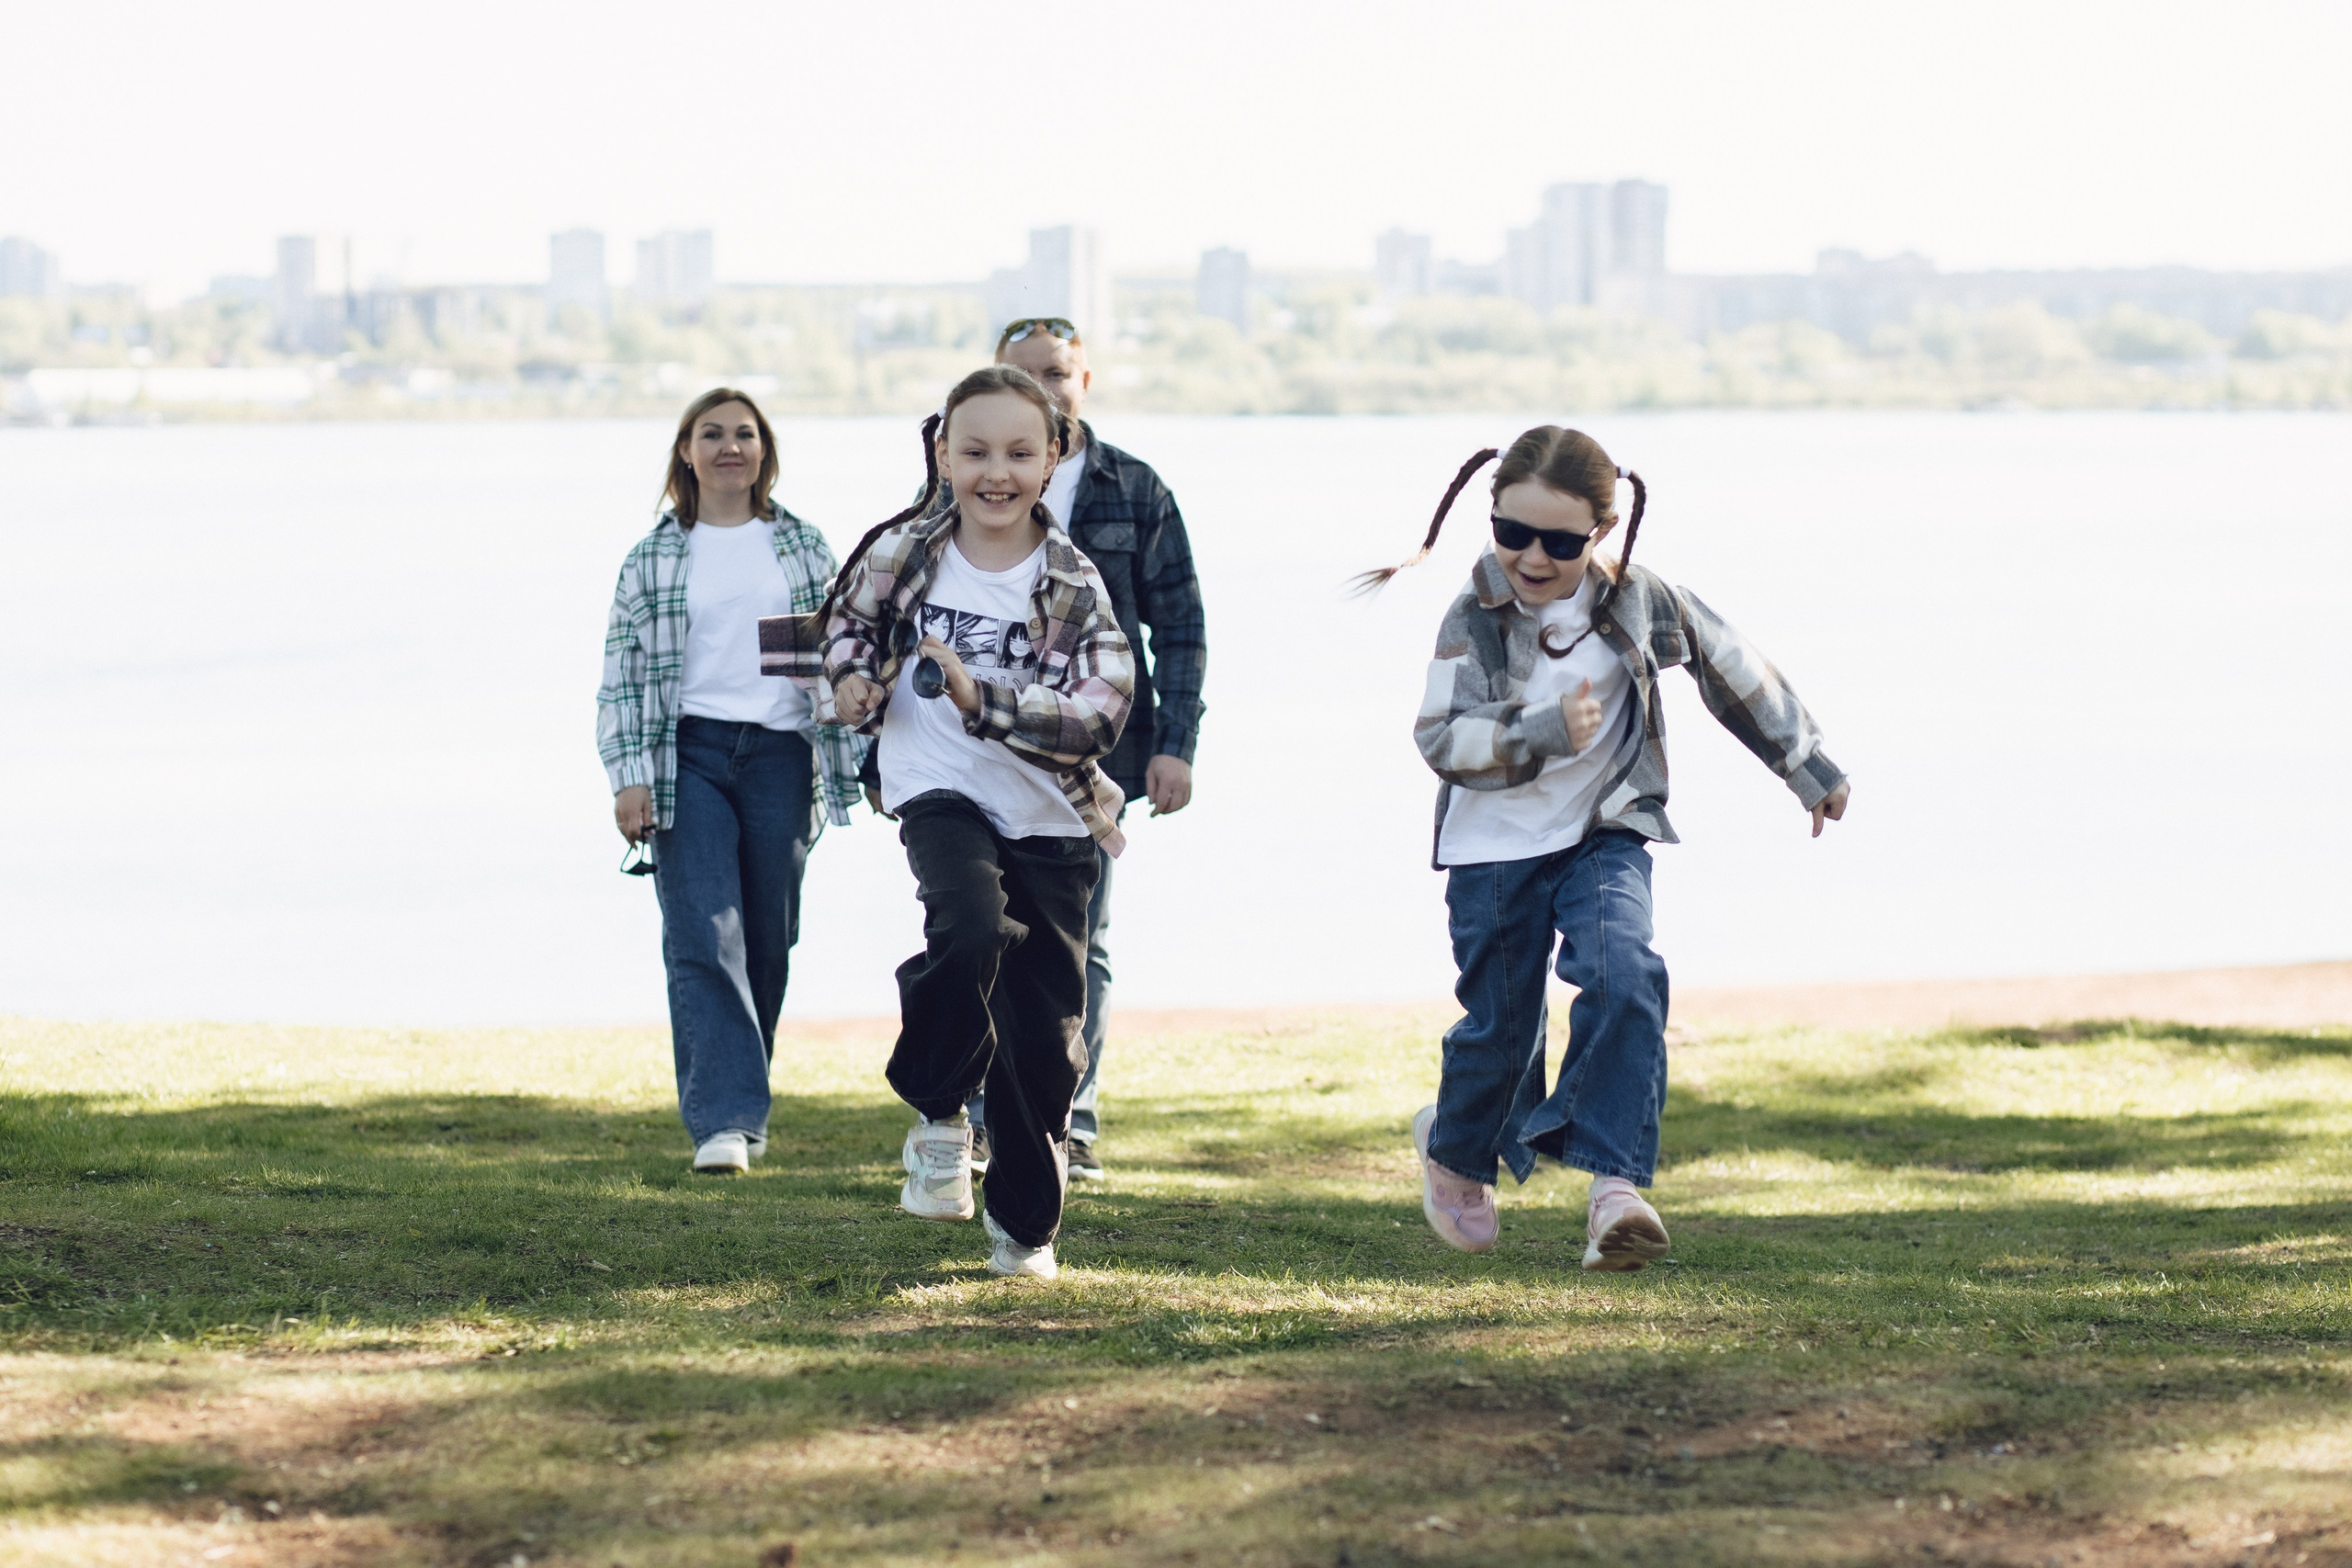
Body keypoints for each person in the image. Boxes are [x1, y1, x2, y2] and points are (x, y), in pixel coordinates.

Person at [1353, 426, 1850, 1270]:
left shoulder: (1639, 599)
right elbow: (1439, 737)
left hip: (1604, 832)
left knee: (1627, 974)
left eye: (1560, 541)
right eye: (1513, 533)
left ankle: (1614, 1187)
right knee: (1503, 1031)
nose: (1533, 558)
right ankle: (1455, 1151)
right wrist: (1543, 729)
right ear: (1492, 517)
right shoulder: (1473, 612)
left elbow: (1731, 666)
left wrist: (1806, 764)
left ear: (1602, 533)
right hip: (1491, 849)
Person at [761, 365, 1133, 1280]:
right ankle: (936, 1114)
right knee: (969, 926)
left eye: (1018, 452)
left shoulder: (1073, 581)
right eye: (974, 451)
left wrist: (985, 698)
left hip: (1050, 817)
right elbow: (841, 627)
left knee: (1046, 1043)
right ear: (942, 454)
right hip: (936, 786)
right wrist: (847, 681)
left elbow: (1103, 710)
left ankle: (1025, 1229)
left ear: (1054, 459)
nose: (994, 472)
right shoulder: (902, 549)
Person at [596, 388, 867, 1177]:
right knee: (704, 933)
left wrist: (860, 748)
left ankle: (743, 1100)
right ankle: (723, 1121)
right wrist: (628, 777)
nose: (728, 447)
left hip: (780, 754)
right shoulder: (656, 555)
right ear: (687, 451)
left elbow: (832, 655)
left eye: (744, 434)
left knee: (767, 940)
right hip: (689, 756)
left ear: (763, 451)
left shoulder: (800, 546)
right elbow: (623, 672)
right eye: (711, 434)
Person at [964, 316, 1207, 1182]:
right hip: (975, 750)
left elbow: (1179, 626)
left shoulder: (1134, 489)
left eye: (1058, 374)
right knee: (981, 930)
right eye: (1024, 374)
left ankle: (1071, 1118)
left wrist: (1175, 745)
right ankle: (983, 1117)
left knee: (1079, 939)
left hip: (1098, 754)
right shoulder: (954, 483)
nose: (1046, 387)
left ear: (1084, 382)